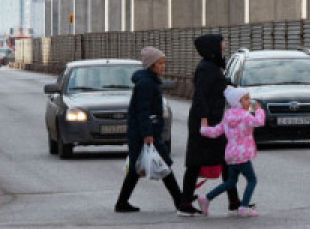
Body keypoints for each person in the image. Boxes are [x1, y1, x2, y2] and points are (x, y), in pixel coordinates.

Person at [114, 47, 201, 216]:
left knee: (143, 168)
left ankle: (123, 202)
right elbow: (142, 111)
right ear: (151, 65)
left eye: (163, 63)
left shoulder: (149, 81)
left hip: (146, 132)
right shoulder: (146, 84)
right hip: (144, 133)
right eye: (159, 63)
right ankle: (179, 200)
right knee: (161, 165)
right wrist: (147, 135)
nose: (163, 67)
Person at [182, 34, 242, 211]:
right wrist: (205, 123)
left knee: (225, 160)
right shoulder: (206, 69)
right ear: (212, 48)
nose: (223, 48)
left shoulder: (212, 67)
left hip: (213, 121)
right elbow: (201, 97)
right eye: (221, 46)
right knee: (195, 162)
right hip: (205, 123)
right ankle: (184, 203)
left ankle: (234, 201)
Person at [197, 87, 265, 217]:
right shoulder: (245, 116)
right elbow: (259, 121)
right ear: (237, 102)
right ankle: (244, 207)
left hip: (231, 156)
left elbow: (216, 131)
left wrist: (204, 129)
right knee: (252, 180)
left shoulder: (228, 116)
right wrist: (259, 110)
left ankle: (206, 198)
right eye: (245, 99)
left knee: (231, 182)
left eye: (248, 98)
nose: (248, 101)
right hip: (243, 155)